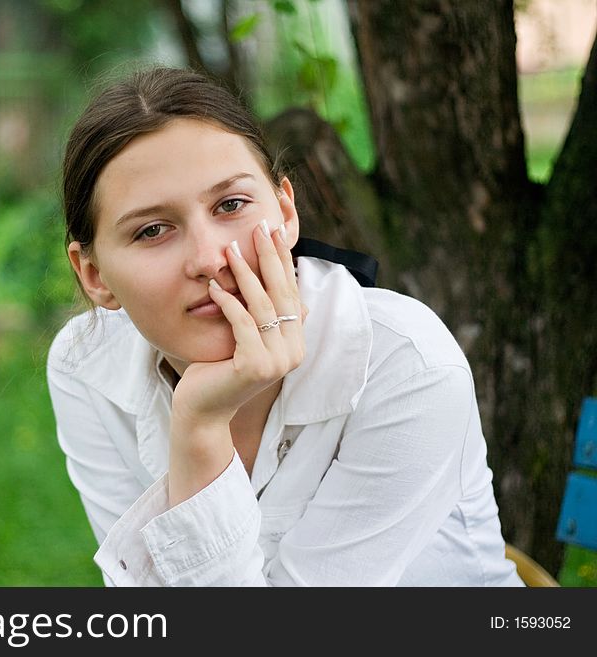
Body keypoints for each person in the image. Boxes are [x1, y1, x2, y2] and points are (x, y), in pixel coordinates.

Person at [46, 66, 524, 586]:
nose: (209, 259)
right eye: (153, 230)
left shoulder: (405, 365)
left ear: (286, 210)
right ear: (94, 276)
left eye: (231, 204)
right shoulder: (86, 365)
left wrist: (200, 428)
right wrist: (199, 424)